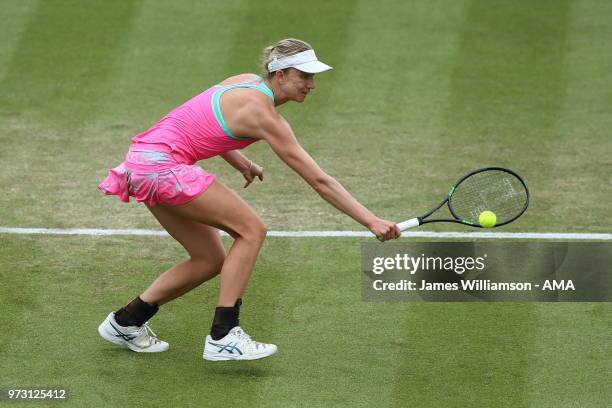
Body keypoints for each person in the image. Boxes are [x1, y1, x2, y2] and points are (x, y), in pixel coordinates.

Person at [97, 38, 400, 361]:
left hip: (139, 164)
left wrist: (242, 162)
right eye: (304, 76)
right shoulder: (265, 116)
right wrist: (371, 220)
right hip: (163, 168)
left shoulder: (241, 82)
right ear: (280, 75)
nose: (312, 85)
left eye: (313, 77)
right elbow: (320, 181)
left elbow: (201, 122)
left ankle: (126, 321)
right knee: (252, 230)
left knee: (209, 259)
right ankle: (224, 335)